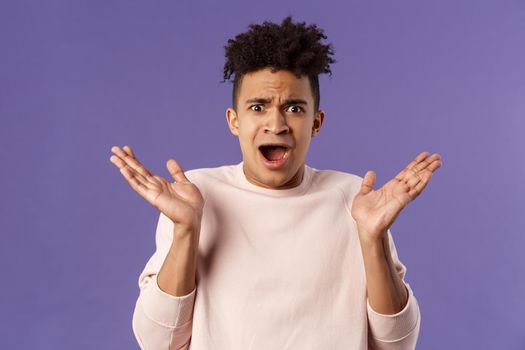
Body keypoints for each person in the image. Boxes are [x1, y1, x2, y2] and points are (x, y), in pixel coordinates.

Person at [109, 16, 442, 350]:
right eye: (258, 107)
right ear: (234, 121)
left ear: (316, 122)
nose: (276, 123)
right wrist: (185, 229)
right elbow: (158, 342)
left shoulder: (356, 200)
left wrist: (373, 239)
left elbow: (396, 345)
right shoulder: (194, 196)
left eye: (294, 108)